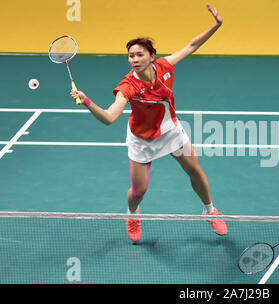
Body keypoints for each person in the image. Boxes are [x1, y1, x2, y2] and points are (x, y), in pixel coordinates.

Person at [70, 3, 227, 243]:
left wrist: (216, 25)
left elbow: (192, 45)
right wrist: (88, 101)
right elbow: (110, 118)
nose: (134, 59)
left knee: (195, 171)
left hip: (171, 132)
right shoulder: (128, 86)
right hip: (141, 140)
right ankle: (132, 215)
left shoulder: (164, 66)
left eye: (139, 54)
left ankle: (210, 210)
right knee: (139, 192)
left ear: (151, 56)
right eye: (131, 55)